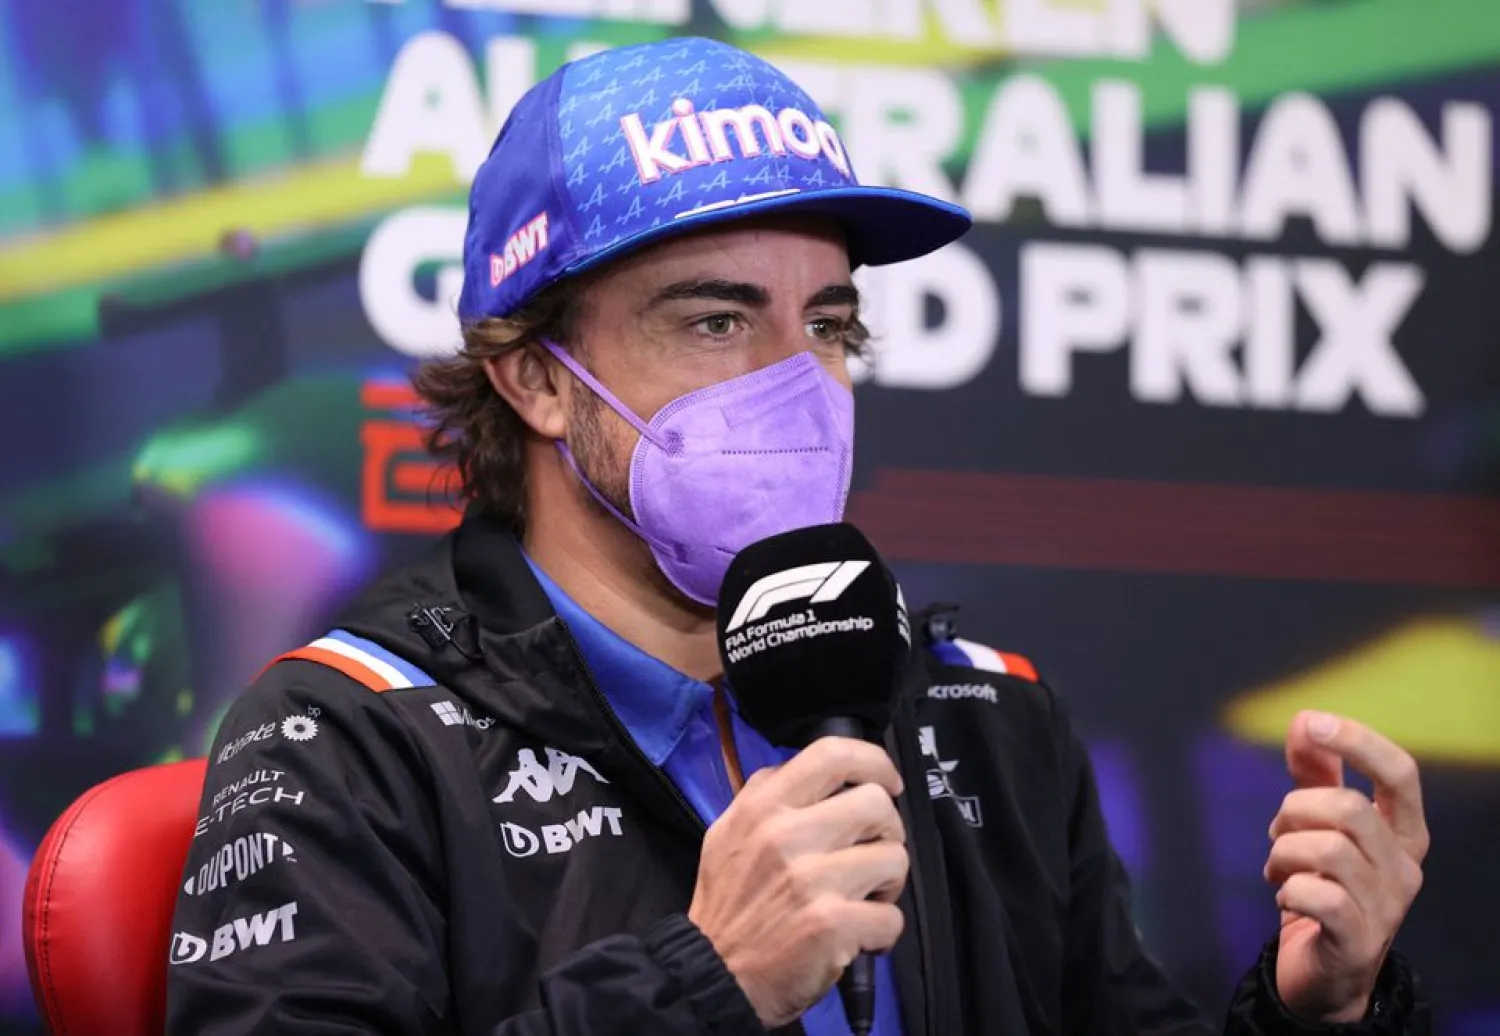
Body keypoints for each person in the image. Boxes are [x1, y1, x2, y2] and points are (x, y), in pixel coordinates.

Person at [166, 36, 1430, 1035]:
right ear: (537, 378)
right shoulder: (349, 738)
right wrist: (703, 982)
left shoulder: (982, 719)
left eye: (826, 324)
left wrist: (1322, 1009)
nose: (796, 382)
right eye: (715, 322)